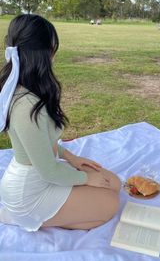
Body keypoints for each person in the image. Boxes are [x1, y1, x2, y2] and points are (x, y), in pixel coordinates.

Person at [0, 14, 121, 232]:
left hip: (43, 174)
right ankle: (23, 216)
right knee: (111, 203)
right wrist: (85, 179)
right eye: (52, 49)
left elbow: (42, 145)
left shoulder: (28, 88)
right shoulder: (26, 105)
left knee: (114, 183)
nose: (55, 55)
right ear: (43, 54)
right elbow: (48, 171)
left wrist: (73, 159)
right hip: (30, 192)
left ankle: (53, 216)